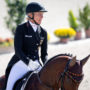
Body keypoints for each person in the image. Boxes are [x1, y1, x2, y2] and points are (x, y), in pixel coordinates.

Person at [4, 2, 48, 90]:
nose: (42, 17)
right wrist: (29, 62)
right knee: (9, 87)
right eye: (39, 14)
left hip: (36, 64)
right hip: (20, 63)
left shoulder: (43, 32)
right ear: (30, 15)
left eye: (42, 14)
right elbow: (18, 50)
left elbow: (44, 54)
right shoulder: (21, 29)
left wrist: (47, 65)